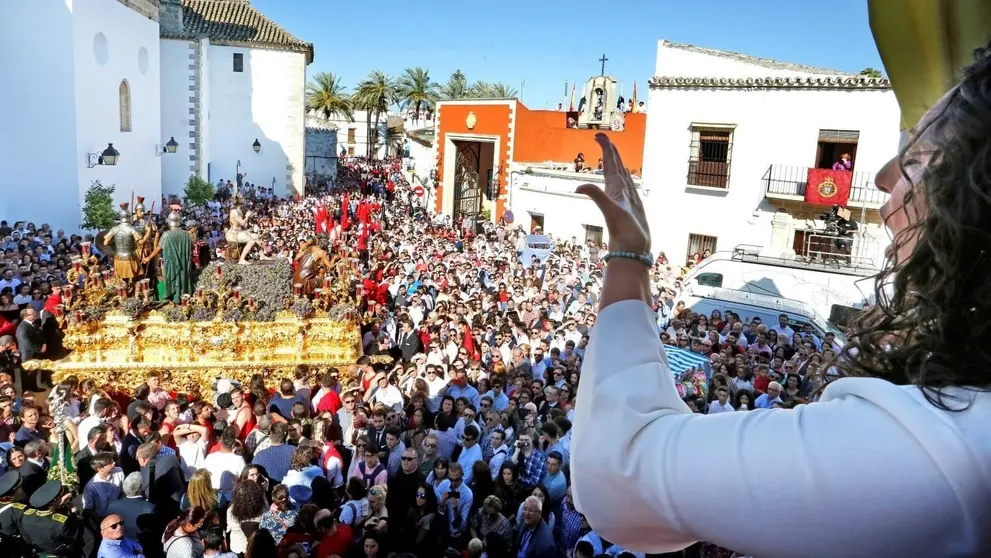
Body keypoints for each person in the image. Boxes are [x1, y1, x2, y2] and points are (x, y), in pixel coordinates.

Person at [570, 62, 991, 557]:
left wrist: (628, 256)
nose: (882, 176)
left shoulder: (939, 458)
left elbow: (622, 472)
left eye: (916, 158)